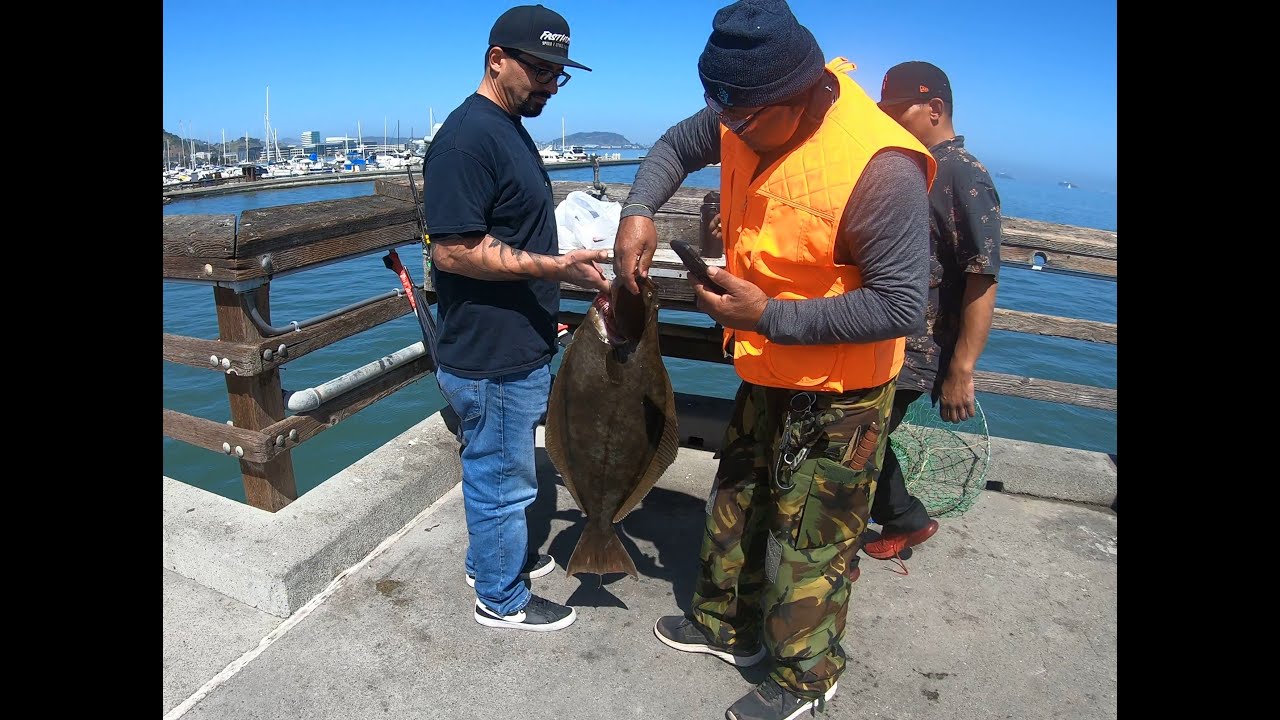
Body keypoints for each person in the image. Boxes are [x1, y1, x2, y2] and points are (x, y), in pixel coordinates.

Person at [612, 1, 936, 717]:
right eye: (719, 112)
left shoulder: (880, 168)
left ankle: (806, 676)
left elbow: (901, 306)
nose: (726, 129)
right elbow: (674, 145)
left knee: (811, 538)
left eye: (742, 119)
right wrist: (639, 210)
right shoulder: (741, 110)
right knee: (738, 497)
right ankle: (726, 625)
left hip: (843, 389)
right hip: (768, 366)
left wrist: (767, 316)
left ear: (801, 93)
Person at [421, 3, 609, 633]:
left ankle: (489, 563)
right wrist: (557, 269)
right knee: (503, 478)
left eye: (559, 73)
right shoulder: (466, 139)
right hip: (490, 352)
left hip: (517, 339)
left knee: (502, 467)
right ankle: (500, 600)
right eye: (540, 69)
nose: (551, 84)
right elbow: (453, 250)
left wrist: (558, 270)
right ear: (496, 60)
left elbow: (508, 227)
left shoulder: (507, 125)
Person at [853, 61, 1002, 567]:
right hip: (883, 336)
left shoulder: (961, 173)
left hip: (919, 349)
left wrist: (962, 368)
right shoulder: (913, 166)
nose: (888, 120)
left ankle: (837, 552)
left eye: (898, 110)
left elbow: (982, 275)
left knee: (855, 441)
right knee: (861, 437)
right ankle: (904, 519)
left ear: (935, 108)